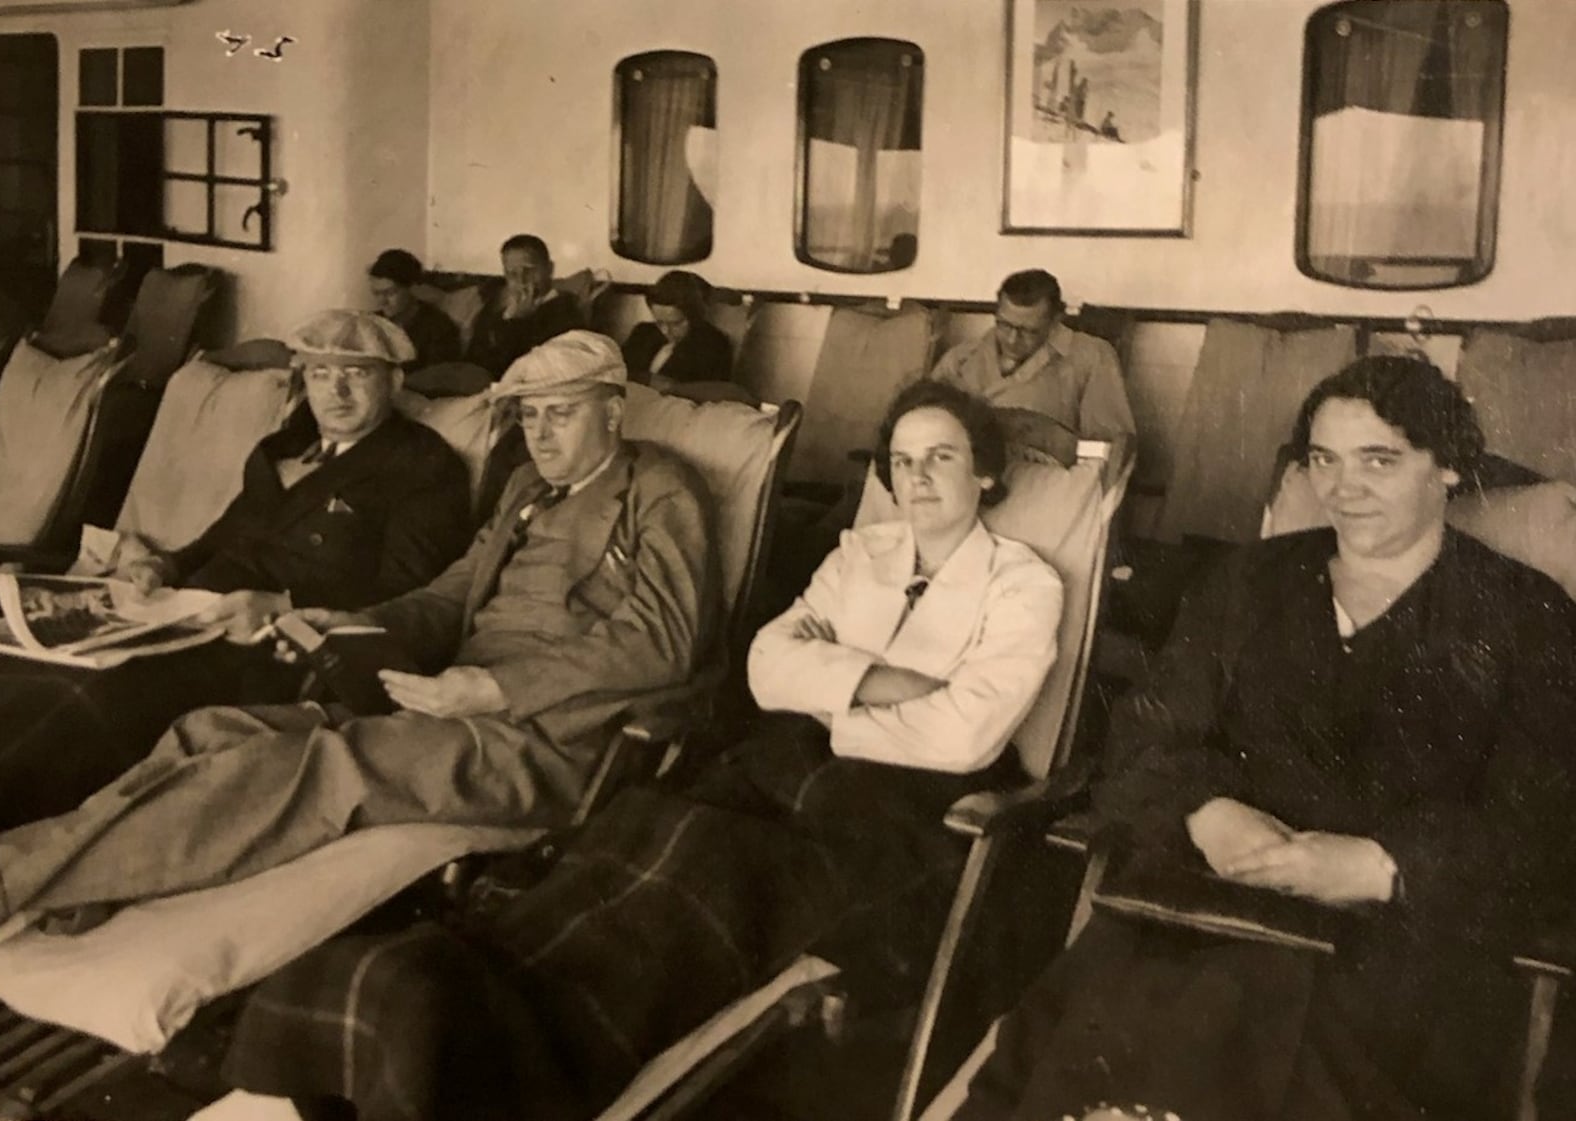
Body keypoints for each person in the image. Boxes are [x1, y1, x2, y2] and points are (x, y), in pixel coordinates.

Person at [217, 379, 1064, 1121]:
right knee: (640, 828)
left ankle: (482, 1047)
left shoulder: (1023, 582)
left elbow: (966, 735)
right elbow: (768, 670)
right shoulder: (859, 553)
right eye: (904, 461)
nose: (916, 480)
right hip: (780, 760)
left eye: (942, 458)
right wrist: (884, 684)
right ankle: (432, 995)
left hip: (893, 815)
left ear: (985, 471)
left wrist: (831, 681)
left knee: (704, 871)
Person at [954, 356, 1576, 1121]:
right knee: (1086, 1043)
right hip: (1204, 902)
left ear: (1446, 467)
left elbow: (1546, 813)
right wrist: (1204, 811)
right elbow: (1145, 736)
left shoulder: (1527, 615)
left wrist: (1385, 865)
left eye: (1377, 460)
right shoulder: (1245, 582)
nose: (1343, 488)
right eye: (1324, 460)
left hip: (1395, 943)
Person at [0, 330, 720, 938]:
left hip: (541, 735)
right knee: (213, 731)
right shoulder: (527, 489)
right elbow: (450, 593)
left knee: (318, 767)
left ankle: (2, 878)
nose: (540, 433)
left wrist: (492, 687)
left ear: (614, 412)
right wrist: (352, 623)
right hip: (441, 698)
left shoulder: (660, 490)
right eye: (528, 416)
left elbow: (665, 639)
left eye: (561, 412)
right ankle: (94, 874)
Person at [0, 309, 472, 833]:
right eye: (321, 373)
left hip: (271, 646)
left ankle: (2, 826)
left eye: (357, 373)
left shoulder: (423, 466)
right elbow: (225, 537)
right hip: (186, 615)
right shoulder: (281, 447)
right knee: (15, 663)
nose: (337, 392)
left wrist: (283, 604)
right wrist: (164, 564)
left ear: (394, 381)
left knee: (89, 694)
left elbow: (409, 588)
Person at [931, 268, 1135, 444]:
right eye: (1004, 324)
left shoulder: (1091, 356)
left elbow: (1110, 447)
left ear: (1055, 320)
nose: (1011, 339)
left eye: (1028, 331)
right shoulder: (961, 358)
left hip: (1049, 479)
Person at [462, 234, 583, 375]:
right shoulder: (496, 308)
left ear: (549, 269)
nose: (521, 280)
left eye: (529, 270)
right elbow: (473, 361)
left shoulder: (565, 310)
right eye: (512, 273)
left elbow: (522, 366)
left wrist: (518, 322)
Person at [619, 269, 734, 389]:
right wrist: (648, 380)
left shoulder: (714, 345)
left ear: (694, 317)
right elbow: (615, 371)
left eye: (675, 323)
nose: (665, 331)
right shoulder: (643, 333)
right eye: (660, 322)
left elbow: (711, 392)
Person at [367, 249, 462, 370]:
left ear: (411, 288)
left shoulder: (439, 328)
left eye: (389, 293)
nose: (382, 302)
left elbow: (439, 378)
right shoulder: (372, 324)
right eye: (376, 293)